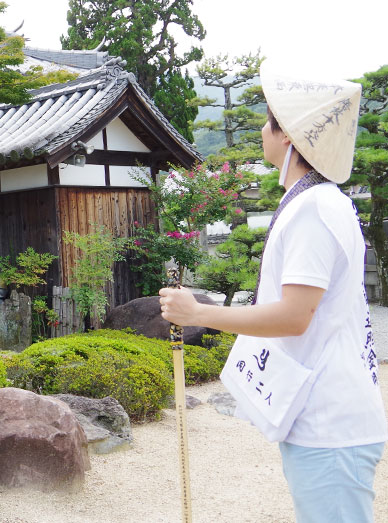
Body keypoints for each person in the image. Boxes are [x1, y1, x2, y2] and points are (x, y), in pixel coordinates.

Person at [159, 71, 387, 523]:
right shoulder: (323, 201)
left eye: (268, 123)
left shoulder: (314, 208)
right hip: (326, 418)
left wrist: (199, 312)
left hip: (329, 424)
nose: (262, 132)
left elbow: (294, 316)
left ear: (287, 136)